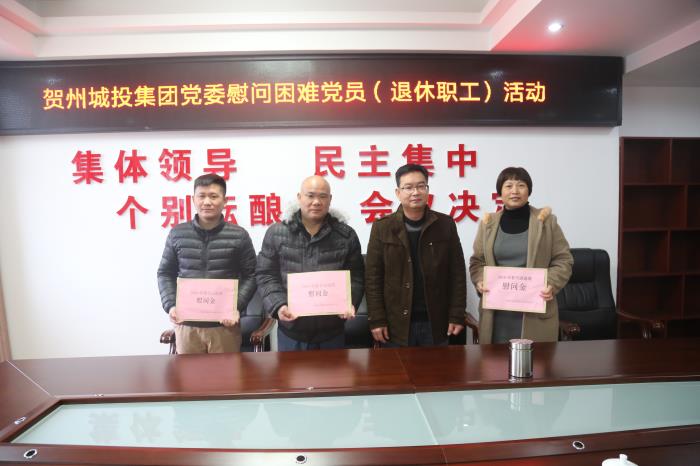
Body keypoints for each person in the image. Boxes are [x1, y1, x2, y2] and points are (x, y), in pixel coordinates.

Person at [255, 175, 364, 351]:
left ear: (330, 199)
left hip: (332, 331)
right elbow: (265, 274)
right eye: (310, 195)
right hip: (292, 332)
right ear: (299, 197)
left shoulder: (346, 235)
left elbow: (357, 276)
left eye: (322, 196)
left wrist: (349, 301)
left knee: (334, 371)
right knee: (292, 370)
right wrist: (279, 305)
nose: (316, 202)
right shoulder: (276, 233)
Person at [365, 164, 467, 347]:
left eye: (421, 186)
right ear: (398, 193)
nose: (415, 192)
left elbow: (457, 273)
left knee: (437, 366)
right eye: (408, 187)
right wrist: (377, 319)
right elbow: (373, 277)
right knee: (396, 367)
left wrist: (457, 314)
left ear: (427, 190)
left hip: (436, 322)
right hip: (395, 324)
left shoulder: (445, 224)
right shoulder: (382, 227)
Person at [469, 167, 573, 344]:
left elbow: (563, 260)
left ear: (529, 190)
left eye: (521, 185)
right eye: (508, 185)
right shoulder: (488, 223)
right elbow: (477, 261)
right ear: (500, 192)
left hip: (535, 309)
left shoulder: (547, 222)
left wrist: (550, 283)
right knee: (494, 360)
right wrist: (480, 280)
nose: (515, 191)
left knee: (536, 360)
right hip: (497, 312)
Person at [157, 174, 257, 354]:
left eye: (213, 196)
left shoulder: (239, 235)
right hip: (187, 325)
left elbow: (252, 275)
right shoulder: (177, 234)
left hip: (224, 326)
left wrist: (236, 306)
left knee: (226, 372)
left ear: (225, 201)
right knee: (189, 372)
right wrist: (171, 305)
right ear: (193, 199)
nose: (207, 202)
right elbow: (165, 273)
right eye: (201, 196)